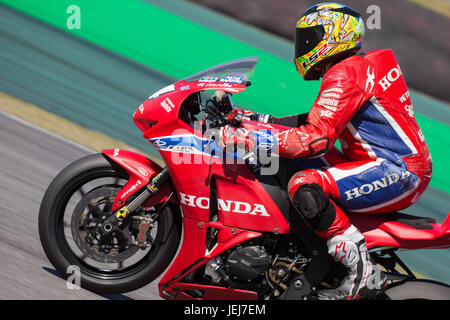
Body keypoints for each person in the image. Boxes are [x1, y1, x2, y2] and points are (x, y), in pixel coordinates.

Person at [218, 3, 433, 300]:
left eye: (311, 38)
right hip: (383, 162)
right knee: (284, 160)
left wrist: (251, 139)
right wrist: (250, 120)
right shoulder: (351, 67)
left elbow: (314, 141)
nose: (304, 46)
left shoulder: (346, 73)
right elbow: (316, 121)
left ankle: (361, 270)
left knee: (304, 184)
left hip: (397, 169)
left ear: (333, 37)